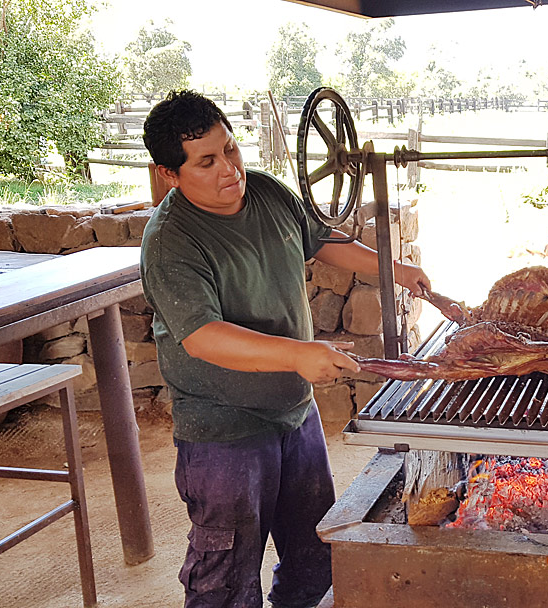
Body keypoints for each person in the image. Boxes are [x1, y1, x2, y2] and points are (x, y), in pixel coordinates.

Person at [140, 90, 431, 608]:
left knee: (315, 557)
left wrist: (394, 270)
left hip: (294, 414)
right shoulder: (171, 240)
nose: (230, 169)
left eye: (230, 149)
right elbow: (202, 335)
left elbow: (322, 240)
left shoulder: (269, 193)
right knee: (226, 577)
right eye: (206, 161)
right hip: (224, 428)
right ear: (169, 173)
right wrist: (299, 354)